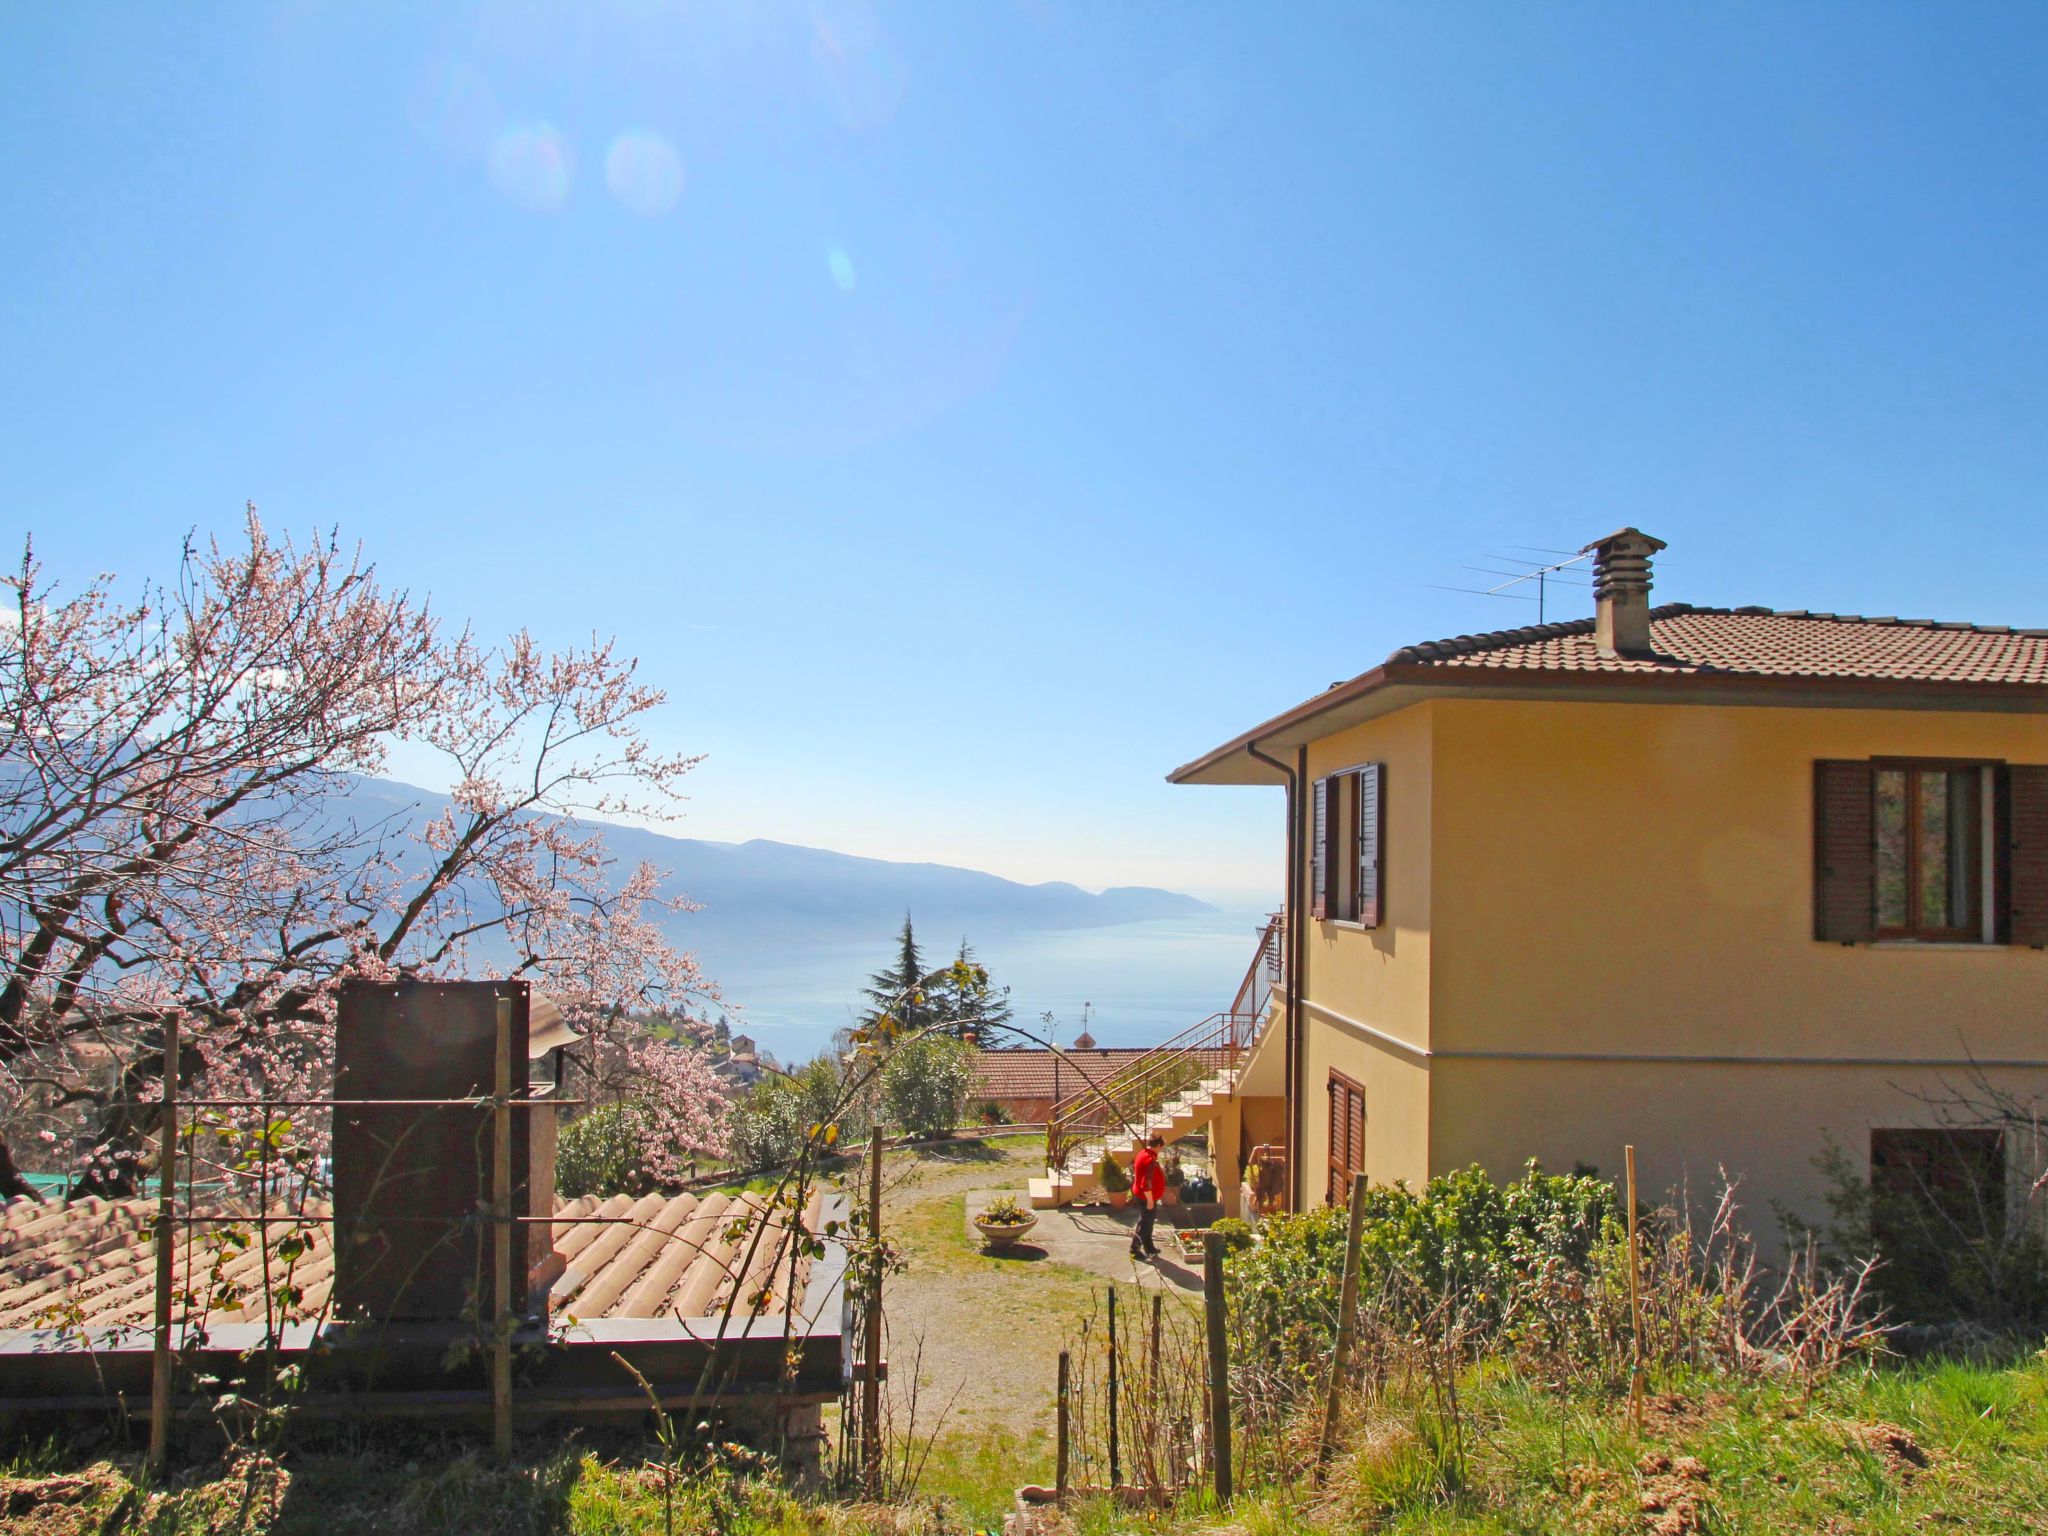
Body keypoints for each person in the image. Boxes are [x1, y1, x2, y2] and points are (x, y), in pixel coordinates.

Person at [1129, 1134, 1166, 1258]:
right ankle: (1134, 1249)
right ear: (1158, 1145)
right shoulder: (1150, 1160)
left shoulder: (1143, 1152)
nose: (1161, 1150)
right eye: (1161, 1147)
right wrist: (1150, 1201)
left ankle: (1149, 1247)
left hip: (1140, 1194)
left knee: (1148, 1223)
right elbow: (1146, 1184)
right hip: (1146, 1197)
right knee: (1145, 1223)